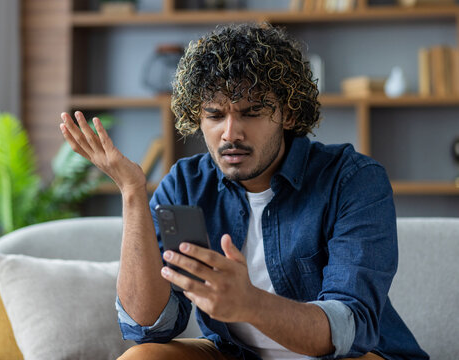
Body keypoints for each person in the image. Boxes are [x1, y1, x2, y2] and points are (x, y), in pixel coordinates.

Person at [59, 23, 428, 360]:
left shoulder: (352, 180)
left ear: (290, 115)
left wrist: (250, 303)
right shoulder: (186, 184)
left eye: (251, 112)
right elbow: (149, 325)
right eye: (215, 114)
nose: (230, 132)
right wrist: (132, 192)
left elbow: (349, 327)